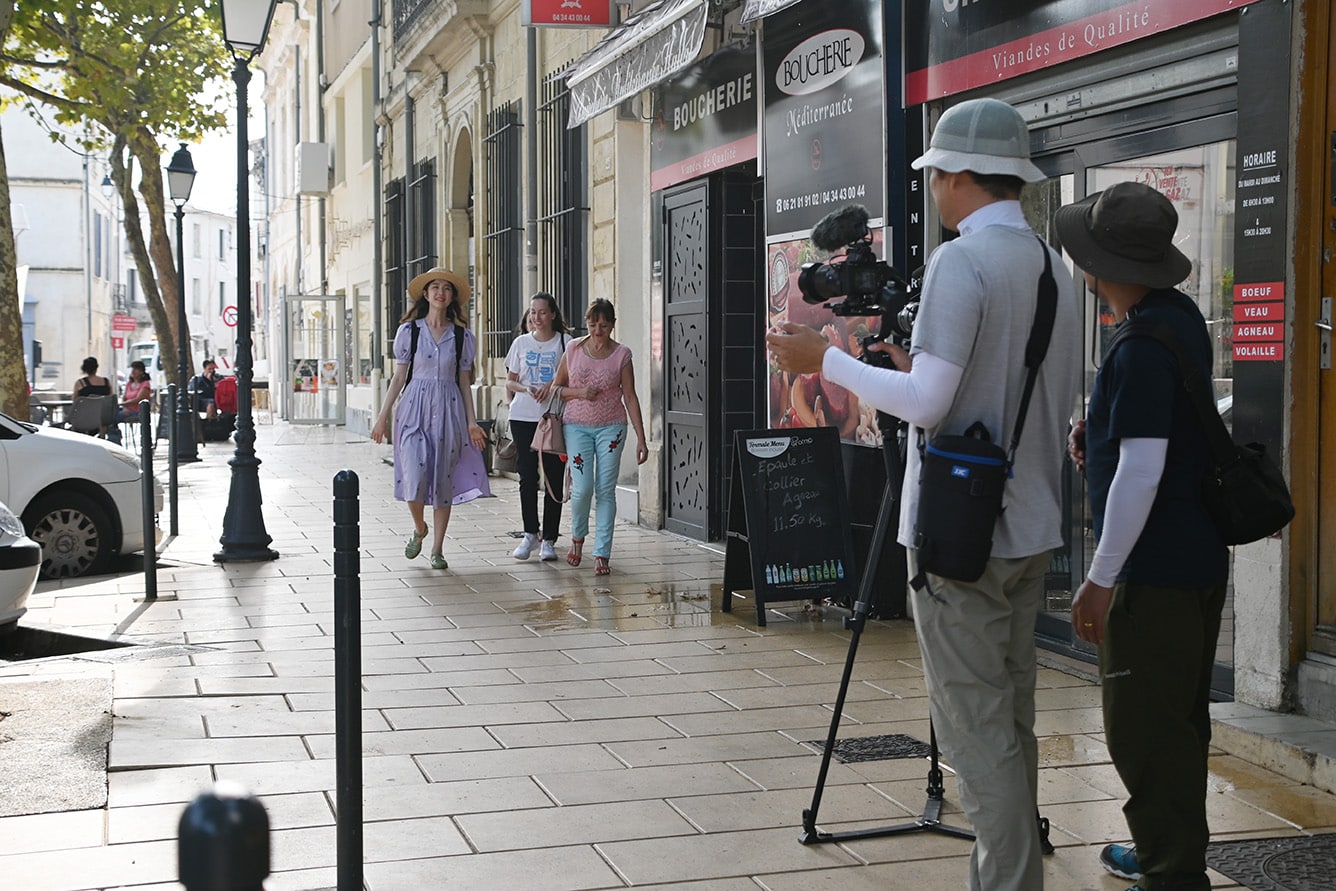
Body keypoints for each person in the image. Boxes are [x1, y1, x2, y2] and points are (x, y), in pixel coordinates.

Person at [767, 97, 1080, 891]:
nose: (933, 188)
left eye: (937, 174)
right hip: (1032, 521)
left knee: (975, 739)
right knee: (1009, 720)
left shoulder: (960, 263)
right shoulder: (1056, 266)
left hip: (960, 535)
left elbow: (932, 404)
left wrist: (823, 360)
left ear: (962, 177)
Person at [1057, 182, 1229, 891]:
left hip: (1150, 570)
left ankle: (1170, 868)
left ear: (1115, 267)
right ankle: (1168, 845)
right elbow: (1158, 436)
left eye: (1092, 262)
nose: (1088, 273)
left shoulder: (1138, 347)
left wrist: (1099, 579)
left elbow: (1142, 469)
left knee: (1143, 729)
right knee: (1179, 716)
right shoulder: (1178, 318)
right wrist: (1092, 434)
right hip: (1197, 557)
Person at [371, 266, 490, 570]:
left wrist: (472, 422)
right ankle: (420, 528)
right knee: (414, 475)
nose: (440, 292)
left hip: (449, 410)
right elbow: (398, 378)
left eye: (446, 288)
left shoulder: (463, 337)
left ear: (452, 298)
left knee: (442, 481)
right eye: (435, 287)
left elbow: (464, 382)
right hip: (413, 409)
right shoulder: (409, 332)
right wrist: (382, 416)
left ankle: (437, 548)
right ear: (426, 294)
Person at [552, 298, 648, 576]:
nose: (597, 331)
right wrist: (580, 393)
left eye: (604, 326)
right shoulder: (573, 349)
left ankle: (602, 552)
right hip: (576, 426)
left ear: (612, 325)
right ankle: (577, 538)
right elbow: (557, 388)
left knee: (606, 488)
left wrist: (641, 439)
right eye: (593, 325)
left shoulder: (622, 354)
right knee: (582, 488)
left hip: (612, 428)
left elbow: (629, 396)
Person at [504, 292, 570, 561]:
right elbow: (509, 382)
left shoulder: (565, 343)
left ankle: (550, 539)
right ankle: (530, 533)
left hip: (552, 417)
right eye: (533, 312)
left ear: (553, 314)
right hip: (522, 416)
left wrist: (551, 386)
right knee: (527, 477)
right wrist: (526, 388)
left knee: (553, 479)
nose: (536, 317)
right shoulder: (520, 343)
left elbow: (571, 378)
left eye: (542, 312)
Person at [72, 356, 121, 443]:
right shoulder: (106, 382)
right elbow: (110, 400)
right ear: (96, 368)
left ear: (84, 369)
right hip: (104, 419)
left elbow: (75, 401)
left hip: (85, 419)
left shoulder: (80, 383)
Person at [118, 360, 153, 430]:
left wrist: (122, 404)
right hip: (127, 409)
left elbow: (138, 399)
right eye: (132, 369)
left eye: (135, 369)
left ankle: (114, 436)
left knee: (114, 416)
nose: (133, 371)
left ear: (141, 372)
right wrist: (125, 408)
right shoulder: (129, 384)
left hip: (138, 412)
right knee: (109, 414)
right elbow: (124, 397)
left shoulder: (145, 384)